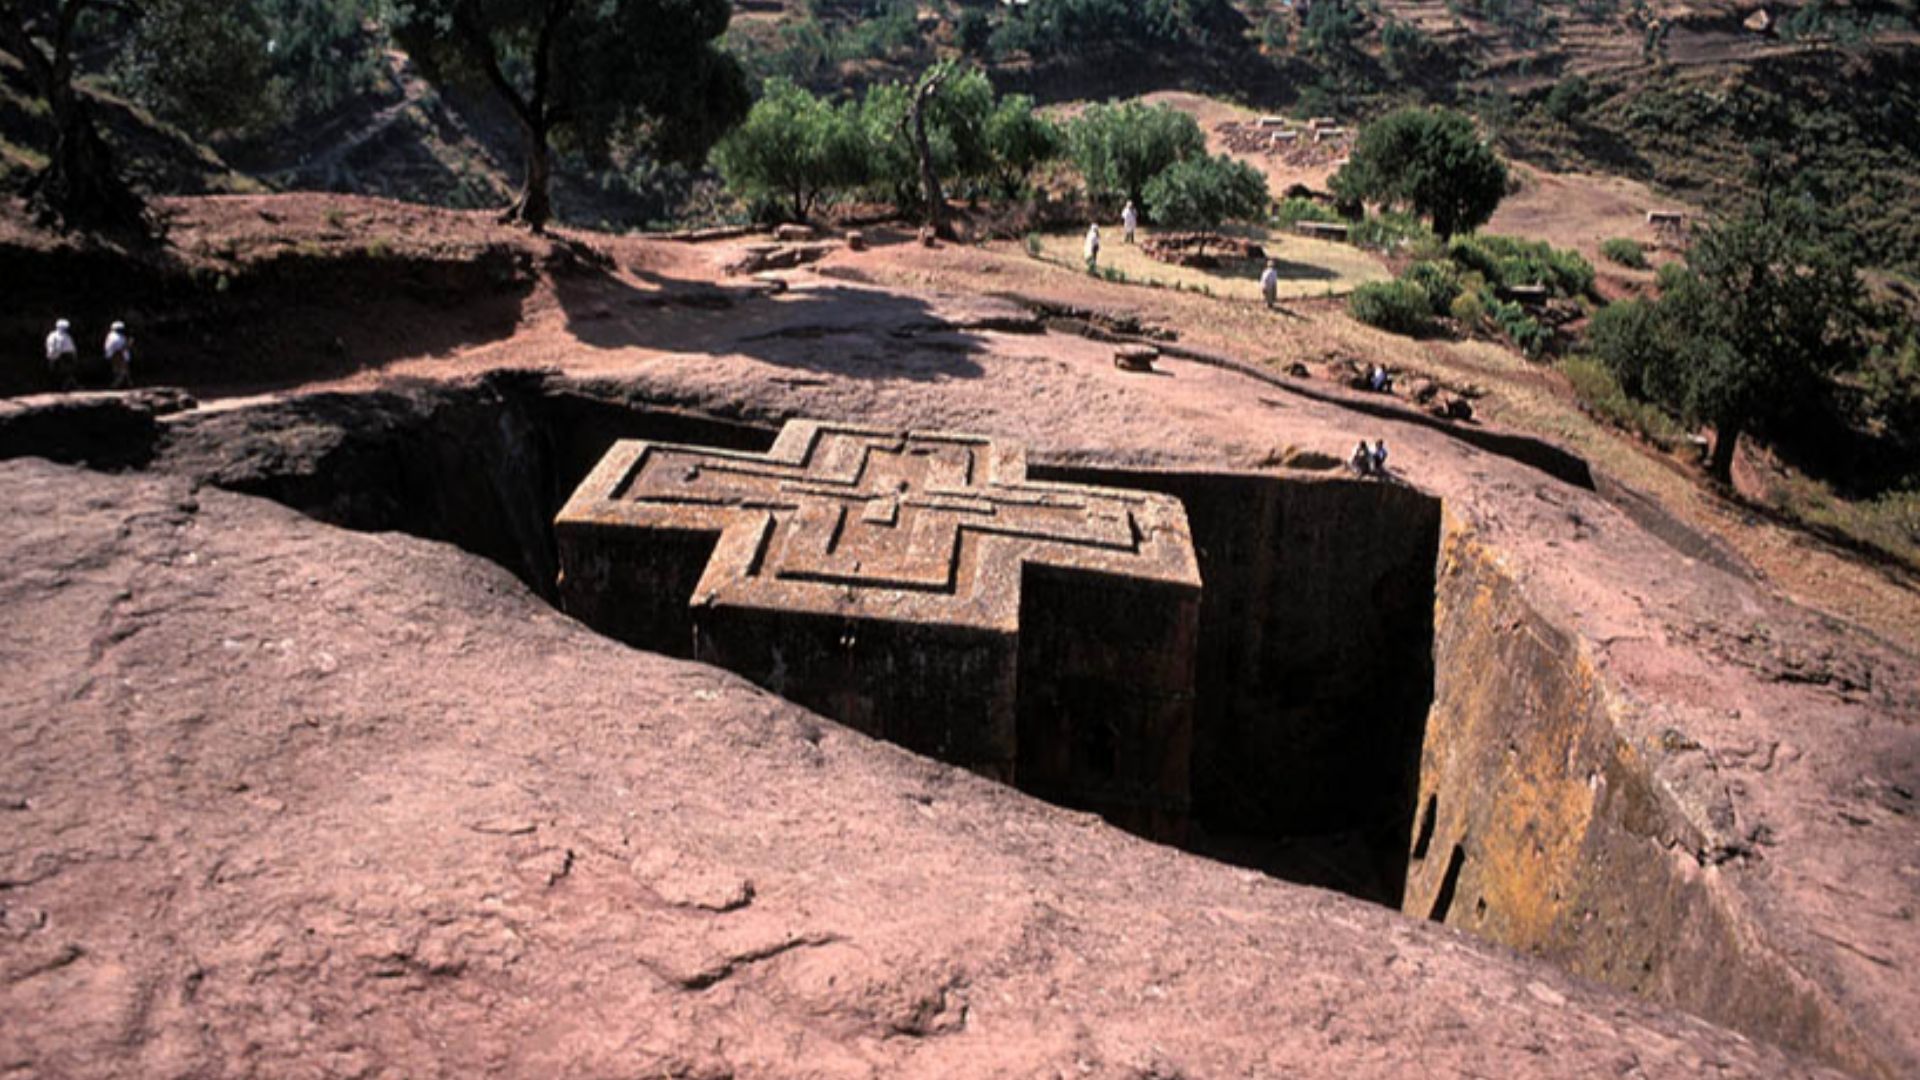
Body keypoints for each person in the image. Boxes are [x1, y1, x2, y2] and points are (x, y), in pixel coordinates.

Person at [45, 318, 78, 390]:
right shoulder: (53, 335)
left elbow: (72, 347)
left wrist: (74, 355)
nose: (65, 329)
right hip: (60, 356)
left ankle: (65, 387)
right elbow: (51, 346)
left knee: (68, 373)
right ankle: (57, 388)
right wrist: (52, 356)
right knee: (59, 373)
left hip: (67, 357)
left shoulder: (67, 336)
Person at [104, 320, 133, 390]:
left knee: (123, 372)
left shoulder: (112, 336)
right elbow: (120, 349)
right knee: (121, 372)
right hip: (119, 356)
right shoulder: (116, 337)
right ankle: (114, 386)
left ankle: (129, 384)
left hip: (117, 356)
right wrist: (129, 344)